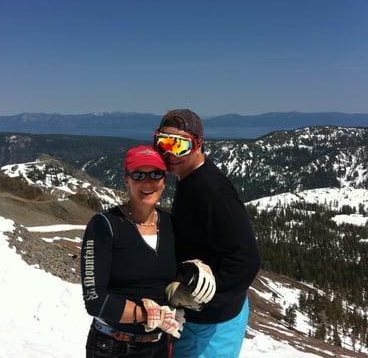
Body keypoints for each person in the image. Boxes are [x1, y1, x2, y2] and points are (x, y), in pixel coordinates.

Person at [154, 109, 261, 358]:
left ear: (198, 144)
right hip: (201, 321)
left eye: (179, 145)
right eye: (163, 143)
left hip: (213, 326)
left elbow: (247, 260)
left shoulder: (211, 190)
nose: (170, 153)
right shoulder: (189, 179)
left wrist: (200, 299)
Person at [81, 145, 184, 357]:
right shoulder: (104, 225)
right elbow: (95, 300)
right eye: (138, 175)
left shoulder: (170, 224)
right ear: (126, 179)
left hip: (159, 345)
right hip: (113, 346)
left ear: (164, 181)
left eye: (155, 174)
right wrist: (145, 314)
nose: (148, 182)